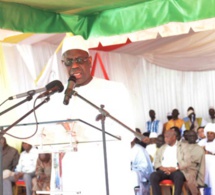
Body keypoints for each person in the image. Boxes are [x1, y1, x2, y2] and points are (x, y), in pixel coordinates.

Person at [55, 35, 136, 195]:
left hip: (108, 174)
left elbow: (128, 131)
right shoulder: (57, 95)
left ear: (90, 61)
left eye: (80, 59)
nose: (75, 65)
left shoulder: (114, 90)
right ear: (63, 64)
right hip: (74, 175)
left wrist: (82, 132)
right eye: (69, 61)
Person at [150, 127, 199, 195]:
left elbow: (187, 162)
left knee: (179, 176)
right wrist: (162, 168)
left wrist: (175, 168)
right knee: (153, 176)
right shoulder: (162, 148)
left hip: (177, 170)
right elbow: (156, 161)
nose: (165, 139)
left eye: (168, 137)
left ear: (174, 137)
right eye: (165, 137)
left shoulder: (183, 146)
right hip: (163, 170)